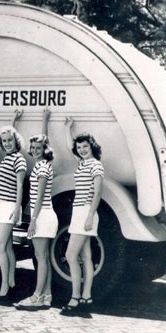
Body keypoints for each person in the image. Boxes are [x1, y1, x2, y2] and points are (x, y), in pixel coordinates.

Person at [60, 117, 104, 315]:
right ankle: (87, 297)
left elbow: (97, 193)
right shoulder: (82, 163)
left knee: (70, 255)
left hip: (86, 212)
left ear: (91, 146)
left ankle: (75, 297)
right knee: (85, 256)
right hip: (79, 212)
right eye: (80, 147)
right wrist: (69, 129)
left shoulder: (95, 165)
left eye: (85, 146)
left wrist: (89, 216)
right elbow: (71, 147)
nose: (82, 149)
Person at [16, 109, 57, 309]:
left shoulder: (41, 167)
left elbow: (40, 196)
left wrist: (33, 220)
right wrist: (44, 121)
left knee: (41, 258)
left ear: (44, 149)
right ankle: (47, 295)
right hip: (46, 215)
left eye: (38, 147)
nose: (34, 149)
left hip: (42, 215)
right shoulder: (44, 164)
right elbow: (44, 140)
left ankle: (36, 296)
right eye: (32, 147)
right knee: (45, 257)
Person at [0, 112, 26, 303]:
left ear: (15, 141)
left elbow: (20, 185)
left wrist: (17, 208)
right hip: (3, 205)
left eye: (10, 140)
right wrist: (13, 121)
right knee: (8, 246)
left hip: (11, 206)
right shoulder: (7, 157)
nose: (7, 143)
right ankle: (11, 283)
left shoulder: (19, 159)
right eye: (4, 141)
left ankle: (3, 286)